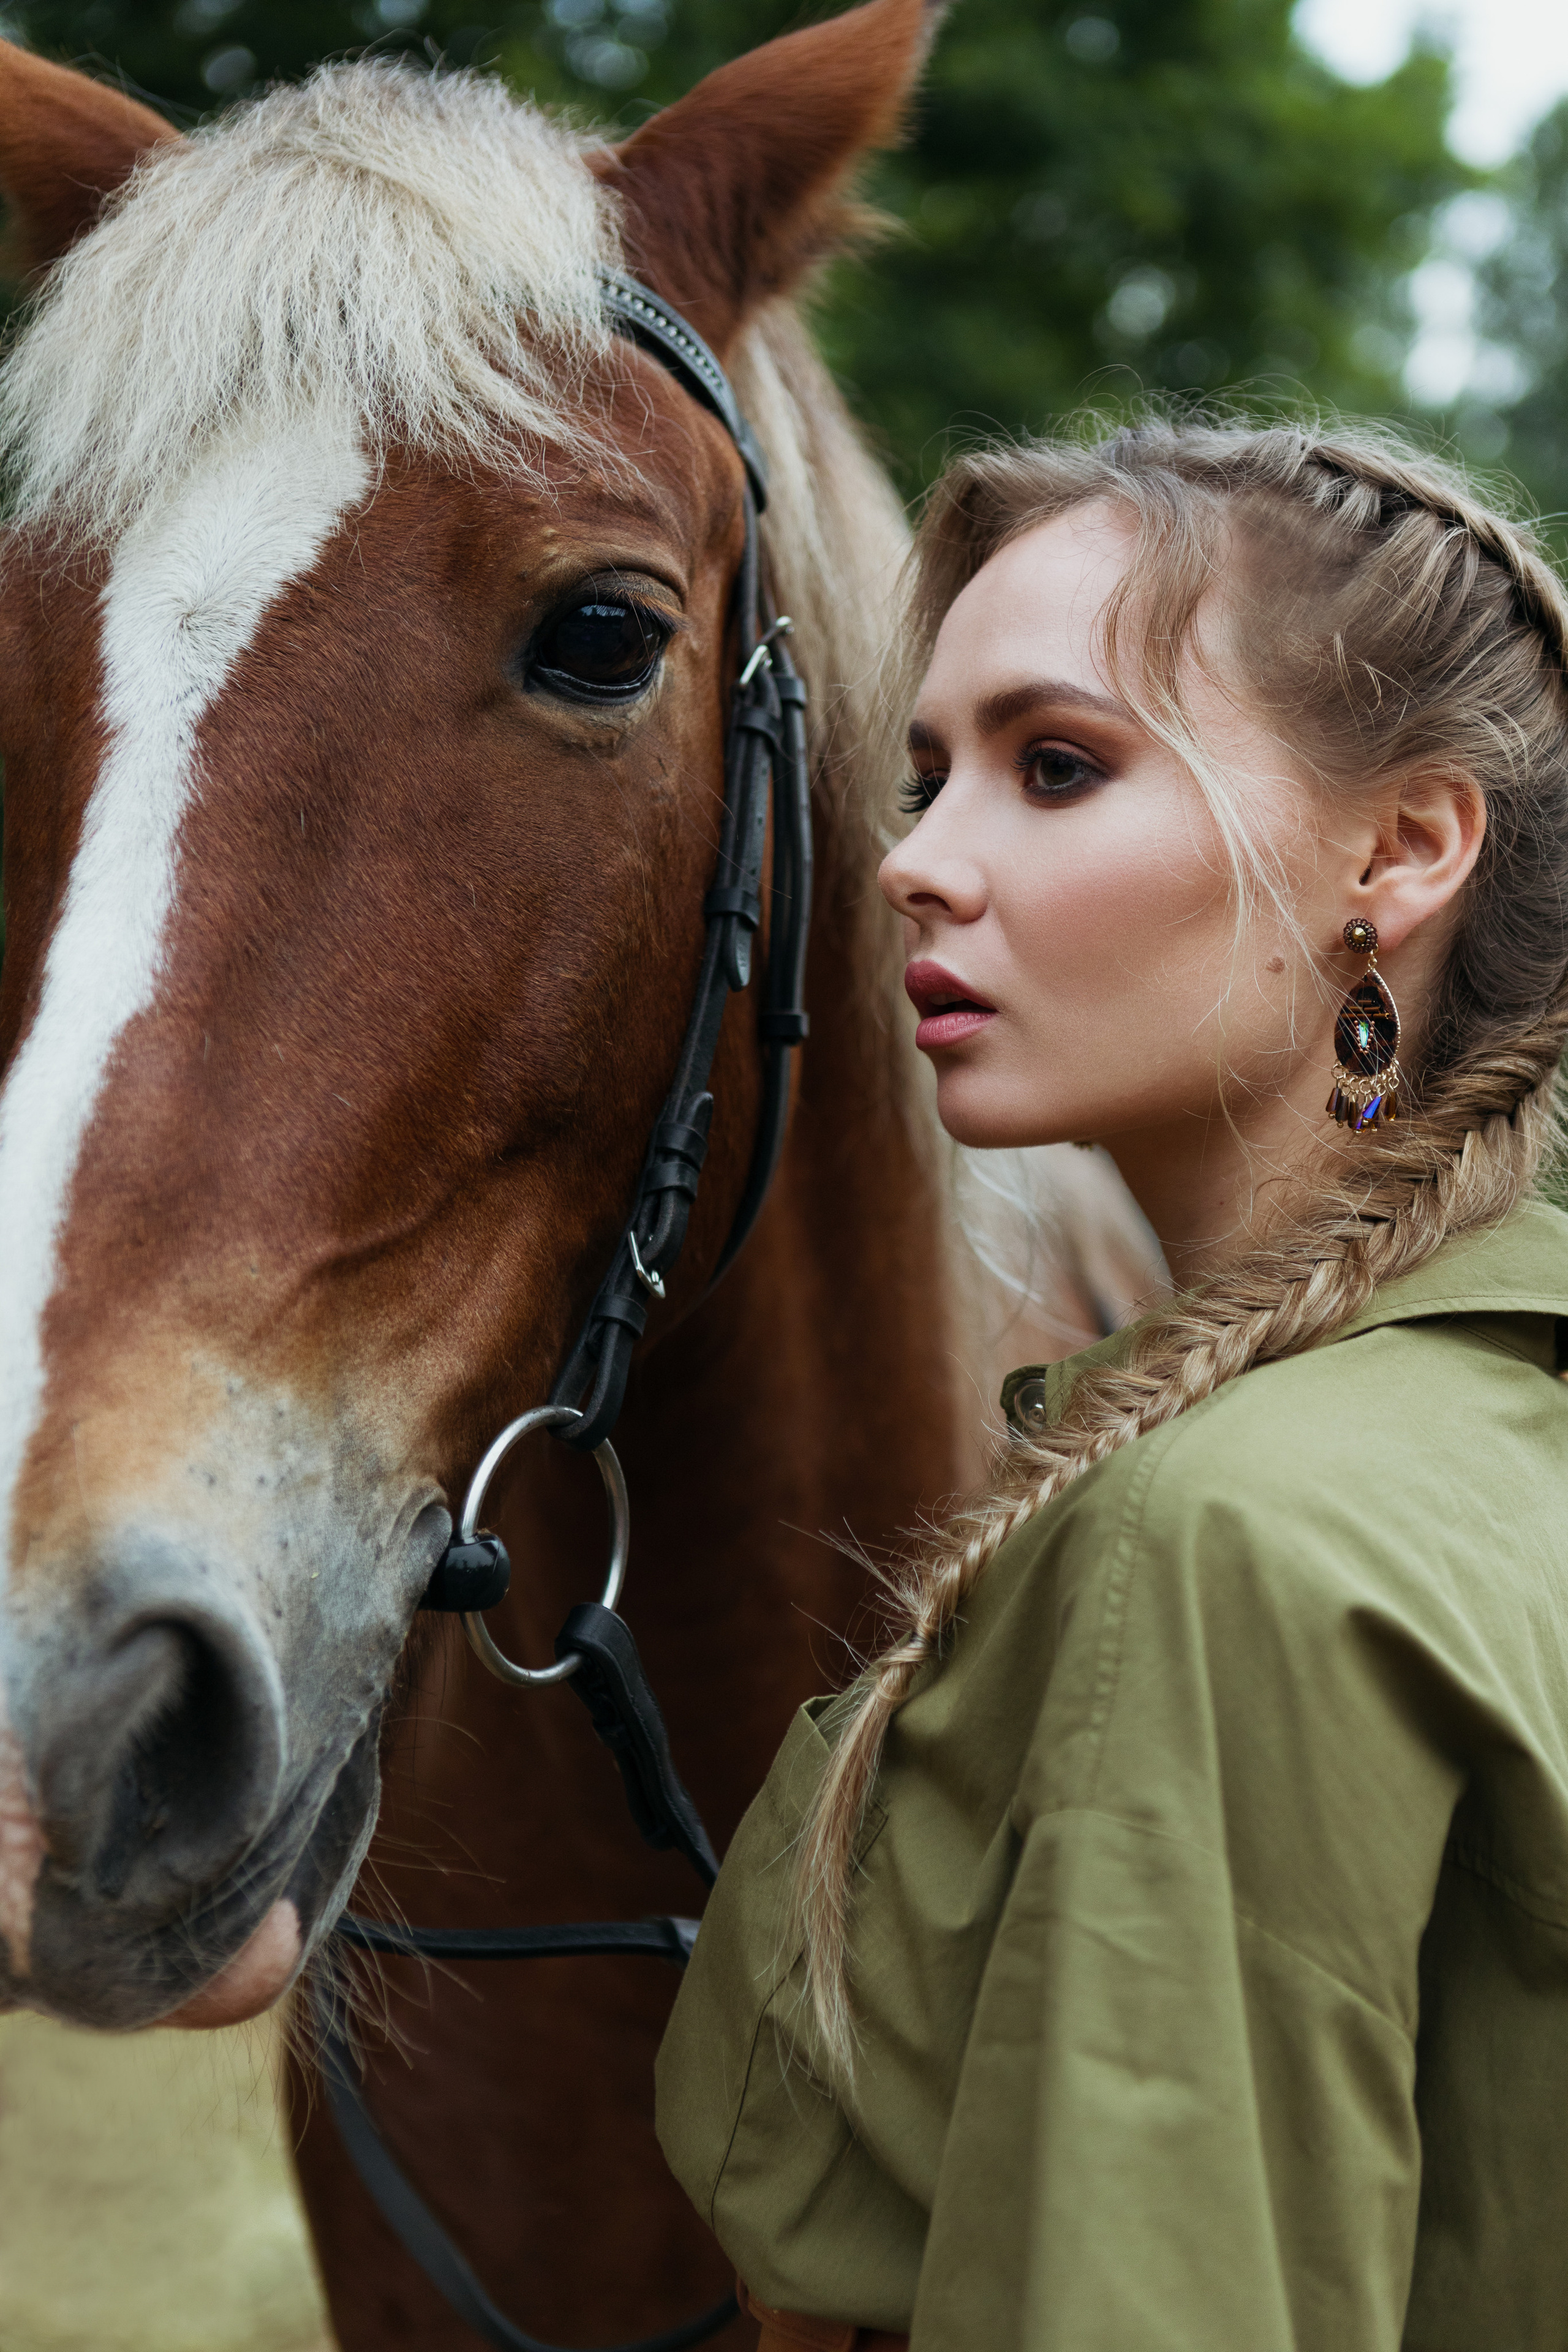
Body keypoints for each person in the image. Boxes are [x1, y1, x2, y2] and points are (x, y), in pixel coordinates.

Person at [654, 416, 1568, 2352]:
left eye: (1055, 767)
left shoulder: (1233, 1538)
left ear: (1404, 850)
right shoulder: (1479, 1425)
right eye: (923, 778)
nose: (913, 864)